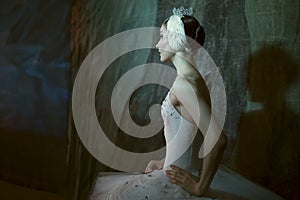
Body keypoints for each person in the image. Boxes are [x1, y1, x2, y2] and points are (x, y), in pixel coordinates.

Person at [90, 7, 283, 200]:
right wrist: (163, 162)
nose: (158, 44)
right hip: (174, 172)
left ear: (176, 39)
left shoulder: (184, 85)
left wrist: (200, 187)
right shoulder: (195, 79)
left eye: (162, 36)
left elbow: (218, 139)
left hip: (176, 185)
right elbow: (187, 138)